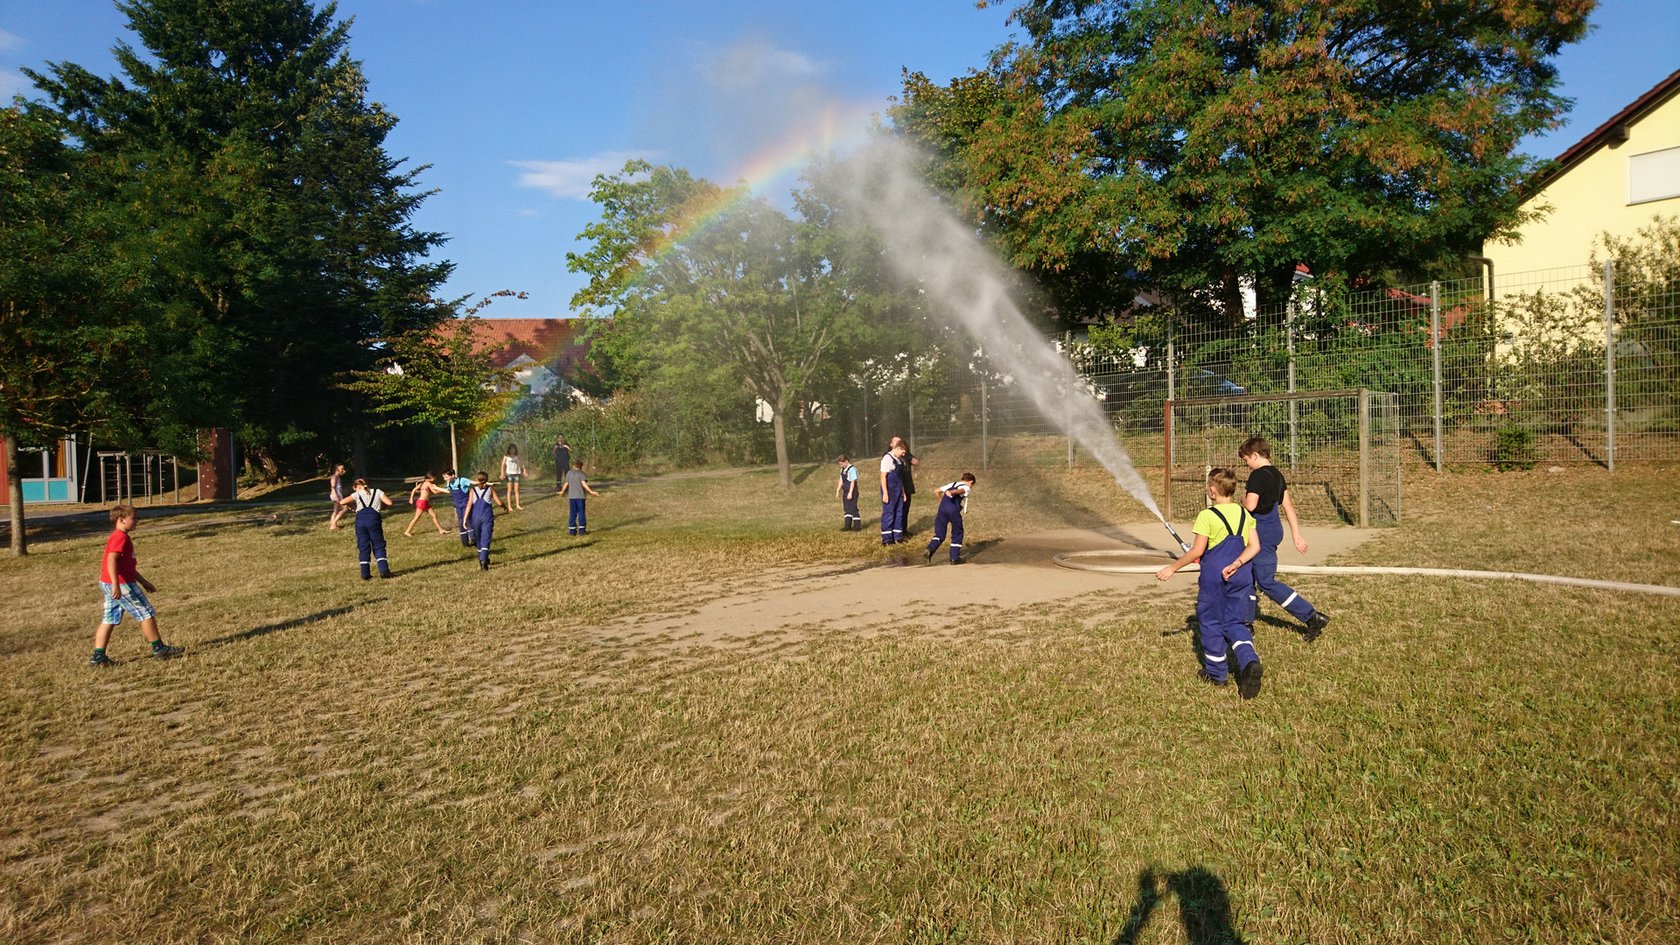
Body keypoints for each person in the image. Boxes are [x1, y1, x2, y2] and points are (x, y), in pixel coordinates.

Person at [1155, 468, 1264, 699]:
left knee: (1211, 622)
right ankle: (1249, 662)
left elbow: (1197, 550)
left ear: (1212, 491)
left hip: (1214, 577)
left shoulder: (1207, 515)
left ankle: (1217, 674)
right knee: (1236, 622)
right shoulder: (1246, 515)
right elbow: (1255, 547)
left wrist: (1172, 567)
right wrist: (1236, 563)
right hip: (1242, 574)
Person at [1237, 436, 1332, 641]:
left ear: (1254, 455)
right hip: (1274, 527)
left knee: (1265, 581)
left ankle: (1311, 616)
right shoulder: (1278, 475)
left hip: (1260, 532)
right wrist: (1296, 535)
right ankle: (1245, 621)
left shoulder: (1257, 476)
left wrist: (1240, 501)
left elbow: (1251, 505)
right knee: (1247, 576)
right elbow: (1287, 505)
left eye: (1246, 460)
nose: (1247, 464)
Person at [88, 505, 183, 666]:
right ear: (121, 520)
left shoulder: (119, 537)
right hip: (121, 584)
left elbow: (127, 567)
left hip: (110, 582)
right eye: (133, 518)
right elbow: (112, 561)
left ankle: (98, 656)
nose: (137, 521)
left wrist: (144, 581)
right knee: (145, 613)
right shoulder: (120, 538)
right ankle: (159, 648)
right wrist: (116, 585)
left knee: (109, 618)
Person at [339, 477, 394, 580]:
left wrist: (353, 507)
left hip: (360, 521)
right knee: (378, 544)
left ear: (356, 487)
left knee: (363, 545)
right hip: (374, 520)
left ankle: (365, 573)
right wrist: (382, 507)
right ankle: (383, 570)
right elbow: (389, 502)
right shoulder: (377, 492)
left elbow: (342, 502)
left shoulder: (357, 494)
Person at [923, 472, 976, 564]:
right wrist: (953, 492)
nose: (971, 487)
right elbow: (961, 490)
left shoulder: (952, 484)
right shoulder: (966, 487)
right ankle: (954, 558)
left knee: (939, 534)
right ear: (970, 482)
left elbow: (936, 491)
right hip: (953, 510)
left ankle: (930, 549)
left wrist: (942, 502)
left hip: (942, 509)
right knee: (957, 532)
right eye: (972, 485)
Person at [463, 471, 505, 570]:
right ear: (487, 481)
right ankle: (483, 560)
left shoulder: (472, 490)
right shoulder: (490, 489)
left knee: (478, 538)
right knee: (486, 537)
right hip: (487, 516)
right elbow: (498, 502)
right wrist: (504, 506)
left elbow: (469, 505)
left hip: (475, 517)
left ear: (477, 480)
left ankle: (482, 557)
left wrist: (465, 518)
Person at [402, 472, 450, 537]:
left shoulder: (422, 483)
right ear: (430, 478)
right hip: (422, 503)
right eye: (434, 477)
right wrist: (444, 490)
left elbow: (413, 490)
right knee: (416, 518)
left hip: (425, 502)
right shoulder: (428, 483)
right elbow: (435, 492)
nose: (435, 479)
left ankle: (440, 530)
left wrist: (411, 498)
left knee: (434, 515)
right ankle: (407, 531)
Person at [878, 441, 907, 545]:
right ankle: (887, 539)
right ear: (898, 448)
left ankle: (897, 537)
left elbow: (900, 479)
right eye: (903, 453)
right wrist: (885, 493)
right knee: (889, 513)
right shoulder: (887, 459)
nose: (903, 455)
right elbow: (883, 477)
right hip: (890, 490)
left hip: (898, 490)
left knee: (899, 513)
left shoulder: (899, 460)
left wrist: (903, 492)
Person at [561, 459, 600, 536]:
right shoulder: (582, 474)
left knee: (572, 513)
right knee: (581, 513)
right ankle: (582, 530)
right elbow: (584, 484)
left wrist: (562, 491)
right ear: (581, 466)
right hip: (580, 497)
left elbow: (566, 484)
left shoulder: (569, 473)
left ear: (573, 465)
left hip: (571, 497)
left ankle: (572, 531)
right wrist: (591, 492)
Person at [891, 436, 919, 539]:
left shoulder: (905, 454)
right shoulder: (889, 456)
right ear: (892, 445)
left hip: (907, 485)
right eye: (897, 442)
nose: (899, 443)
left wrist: (907, 456)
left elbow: (916, 462)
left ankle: (903, 530)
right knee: (897, 509)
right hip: (896, 486)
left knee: (906, 508)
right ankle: (895, 531)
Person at [443, 467, 474, 547]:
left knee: (467, 520)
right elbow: (447, 490)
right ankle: (465, 542)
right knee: (461, 522)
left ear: (452, 475)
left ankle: (474, 539)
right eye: (444, 477)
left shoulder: (461, 480)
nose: (445, 479)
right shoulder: (449, 484)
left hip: (466, 504)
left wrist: (486, 483)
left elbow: (474, 482)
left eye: (446, 477)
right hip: (458, 506)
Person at [835, 454, 860, 531]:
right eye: (840, 464)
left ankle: (857, 526)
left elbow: (853, 482)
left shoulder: (852, 469)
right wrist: (838, 491)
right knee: (847, 508)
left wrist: (850, 493)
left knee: (853, 508)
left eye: (842, 464)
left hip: (852, 491)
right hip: (845, 491)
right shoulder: (842, 470)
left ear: (846, 461)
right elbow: (841, 480)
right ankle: (847, 525)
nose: (841, 466)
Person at [500, 444, 526, 511]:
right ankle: (509, 506)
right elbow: (502, 465)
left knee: (516, 490)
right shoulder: (506, 457)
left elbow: (522, 464)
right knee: (509, 490)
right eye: (511, 449)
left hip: (516, 474)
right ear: (509, 449)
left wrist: (524, 471)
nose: (512, 450)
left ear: (515, 449)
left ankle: (517, 505)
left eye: (513, 449)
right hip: (509, 475)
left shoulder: (517, 456)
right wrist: (502, 474)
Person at [327, 463, 347, 530]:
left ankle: (333, 525)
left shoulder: (338, 477)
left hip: (338, 494)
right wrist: (336, 496)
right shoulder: (334, 477)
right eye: (342, 469)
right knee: (345, 508)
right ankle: (334, 523)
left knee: (336, 510)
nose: (343, 470)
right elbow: (333, 487)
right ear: (337, 469)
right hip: (335, 495)